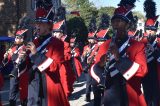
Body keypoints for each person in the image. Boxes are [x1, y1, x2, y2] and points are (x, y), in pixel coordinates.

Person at [92, 1, 148, 106]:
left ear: (127, 25)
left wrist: (119, 58)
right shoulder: (105, 45)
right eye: (114, 21)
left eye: (120, 21)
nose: (116, 24)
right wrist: (100, 65)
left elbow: (142, 70)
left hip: (131, 93)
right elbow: (93, 69)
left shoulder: (138, 45)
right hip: (110, 94)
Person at [26, 6, 70, 106]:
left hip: (48, 86)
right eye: (37, 23)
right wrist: (24, 58)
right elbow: (28, 66)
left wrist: (36, 54)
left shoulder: (57, 43)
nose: (37, 26)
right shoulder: (35, 42)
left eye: (41, 23)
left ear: (49, 25)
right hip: (34, 85)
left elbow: (55, 66)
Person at [2, 29, 29, 106]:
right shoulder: (14, 48)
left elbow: (19, 61)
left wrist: (12, 54)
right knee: (12, 94)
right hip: (14, 74)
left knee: (23, 95)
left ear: (22, 39)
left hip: (22, 74)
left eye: (18, 37)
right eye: (16, 37)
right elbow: (5, 63)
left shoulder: (25, 49)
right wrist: (5, 57)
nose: (15, 39)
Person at [141, 0, 160, 105]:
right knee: (147, 98)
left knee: (156, 98)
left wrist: (155, 51)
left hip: (157, 75)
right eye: (147, 29)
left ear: (156, 30)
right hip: (145, 75)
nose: (149, 32)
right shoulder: (141, 43)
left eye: (152, 29)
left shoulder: (159, 43)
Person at [81, 16, 97, 102]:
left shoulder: (97, 47)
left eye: (92, 39)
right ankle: (87, 96)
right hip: (87, 67)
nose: (90, 40)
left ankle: (96, 96)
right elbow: (82, 58)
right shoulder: (85, 47)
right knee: (88, 82)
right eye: (89, 39)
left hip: (95, 66)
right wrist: (85, 53)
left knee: (95, 83)